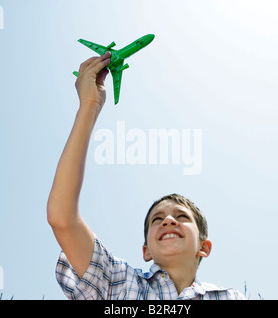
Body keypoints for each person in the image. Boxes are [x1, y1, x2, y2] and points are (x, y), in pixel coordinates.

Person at [47, 52, 245, 300]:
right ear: (146, 250)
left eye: (181, 216)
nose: (169, 221)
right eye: (157, 219)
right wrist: (89, 106)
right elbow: (62, 218)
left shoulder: (231, 297)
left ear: (204, 247)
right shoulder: (117, 282)